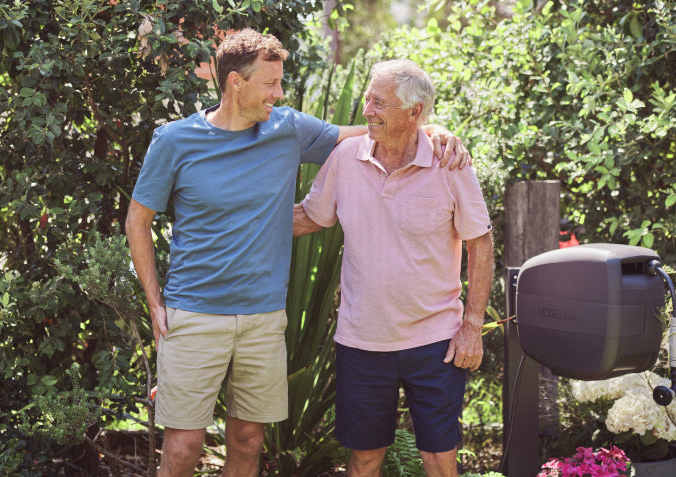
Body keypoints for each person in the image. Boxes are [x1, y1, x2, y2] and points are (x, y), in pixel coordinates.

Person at [125, 29, 469, 477]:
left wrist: (433, 130)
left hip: (264, 318)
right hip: (194, 313)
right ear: (236, 83)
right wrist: (155, 303)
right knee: (183, 446)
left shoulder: (286, 128)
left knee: (249, 441)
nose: (280, 93)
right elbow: (138, 221)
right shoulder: (175, 140)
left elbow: (373, 131)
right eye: (271, 83)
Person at [293, 59, 494, 477]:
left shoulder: (449, 163)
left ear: (414, 112)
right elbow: (310, 217)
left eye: (379, 102)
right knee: (365, 458)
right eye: (367, 97)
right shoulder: (347, 157)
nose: (366, 109)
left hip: (435, 340)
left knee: (439, 458)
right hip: (362, 340)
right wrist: (233, 222)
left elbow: (480, 241)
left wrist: (472, 325)